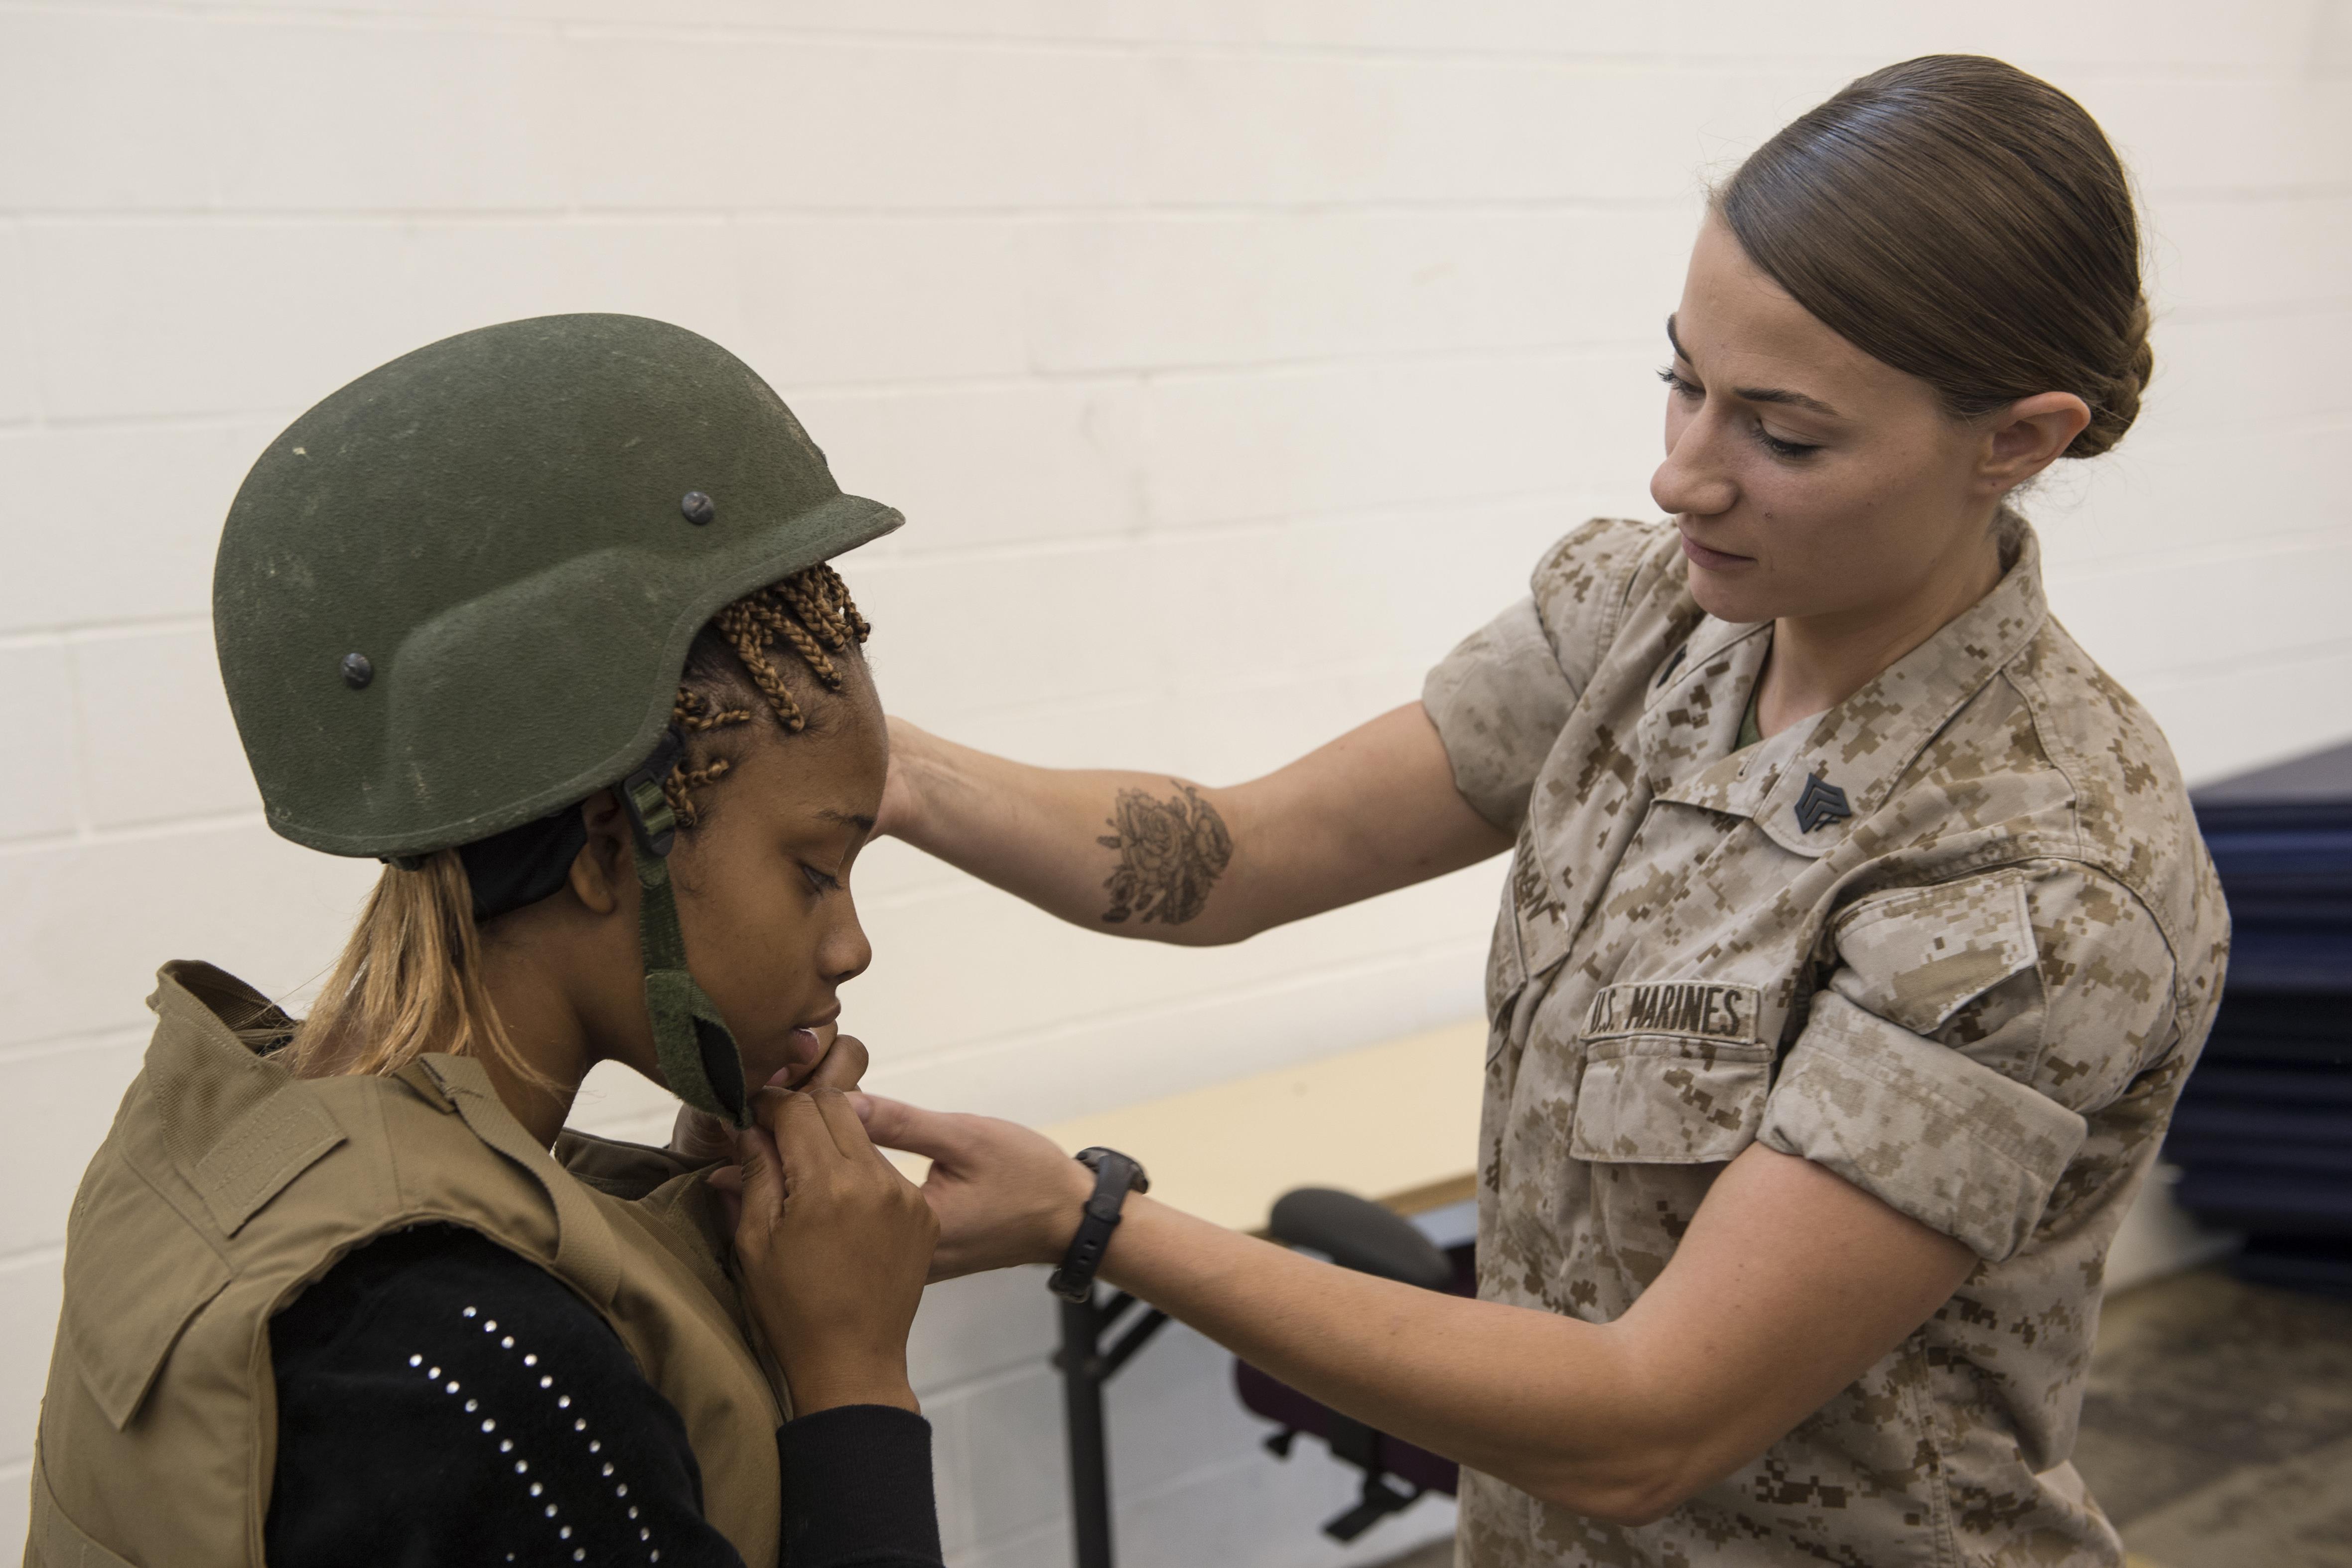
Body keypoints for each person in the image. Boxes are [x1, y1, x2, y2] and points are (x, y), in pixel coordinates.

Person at [840, 56, 2230, 1568]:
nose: (1681, 475)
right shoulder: (1652, 624)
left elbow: (1648, 1423)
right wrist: (875, 767)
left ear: (2016, 440)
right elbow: (1235, 859)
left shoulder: (2034, 882)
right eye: (1682, 382)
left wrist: (1092, 1220)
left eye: (1783, 434)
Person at [27, 315, 948, 1568]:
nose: (850, 947)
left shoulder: (220, 1131)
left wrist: (686, 1216)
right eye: (815, 869)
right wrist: (853, 1373)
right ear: (608, 844)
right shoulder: (476, 1359)